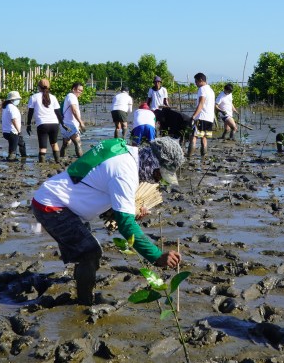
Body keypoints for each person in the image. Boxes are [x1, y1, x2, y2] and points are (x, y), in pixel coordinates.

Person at [31, 137, 185, 305]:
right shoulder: (126, 173)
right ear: (152, 162)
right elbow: (126, 225)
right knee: (90, 252)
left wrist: (127, 212)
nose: (155, 181)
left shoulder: (123, 150)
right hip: (52, 206)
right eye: (158, 174)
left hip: (64, 202)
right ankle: (84, 302)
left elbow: (97, 182)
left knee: (85, 251)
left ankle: (83, 287)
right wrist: (156, 256)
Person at [27, 79, 62, 164]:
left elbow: (30, 112)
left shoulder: (34, 97)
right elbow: (58, 112)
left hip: (42, 124)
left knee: (43, 147)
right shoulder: (53, 97)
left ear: (38, 87)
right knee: (54, 143)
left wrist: (28, 124)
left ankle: (42, 164)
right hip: (54, 124)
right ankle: (58, 162)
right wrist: (63, 123)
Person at [187, 73, 215, 159]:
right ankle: (204, 157)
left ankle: (189, 156)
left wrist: (194, 116)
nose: (195, 83)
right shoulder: (211, 90)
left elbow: (201, 103)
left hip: (202, 117)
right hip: (210, 118)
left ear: (201, 80)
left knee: (193, 136)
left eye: (196, 81)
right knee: (204, 137)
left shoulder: (202, 89)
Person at [59, 82, 86, 159]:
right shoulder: (72, 96)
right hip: (69, 124)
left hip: (65, 124)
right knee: (78, 143)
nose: (80, 92)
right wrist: (81, 122)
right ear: (74, 89)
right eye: (79, 90)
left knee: (66, 144)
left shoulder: (69, 96)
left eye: (81, 91)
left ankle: (61, 159)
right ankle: (82, 161)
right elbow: (74, 110)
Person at [1, 91, 27, 161]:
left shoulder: (6, 107)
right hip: (12, 132)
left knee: (21, 143)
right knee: (13, 151)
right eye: (17, 99)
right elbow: (14, 120)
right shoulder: (12, 107)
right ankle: (11, 163)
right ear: (12, 100)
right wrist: (19, 131)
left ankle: (23, 157)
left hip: (6, 131)